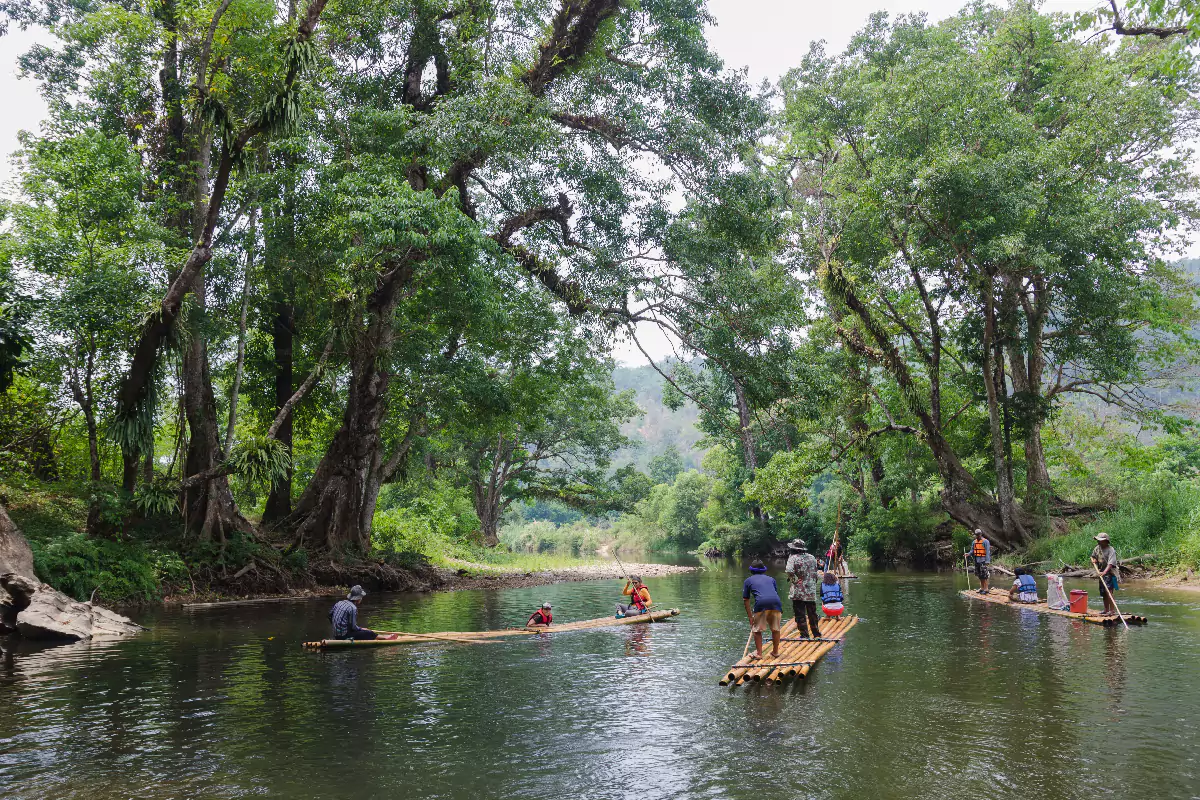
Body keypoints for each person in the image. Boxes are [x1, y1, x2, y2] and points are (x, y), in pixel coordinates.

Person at [742, 559, 783, 660]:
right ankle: (775, 652)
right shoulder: (771, 579)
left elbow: (746, 600)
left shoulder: (748, 581)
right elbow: (774, 593)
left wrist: (750, 617)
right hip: (776, 603)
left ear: (751, 570)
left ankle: (759, 654)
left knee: (757, 630)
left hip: (761, 603)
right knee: (775, 629)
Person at [329, 585, 397, 641]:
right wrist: (362, 629)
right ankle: (385, 638)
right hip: (343, 637)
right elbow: (353, 627)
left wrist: (337, 627)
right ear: (358, 598)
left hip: (336, 635)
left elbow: (330, 616)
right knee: (369, 633)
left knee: (363, 630)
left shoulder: (339, 603)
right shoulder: (353, 608)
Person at [784, 538, 821, 639]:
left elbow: (789, 570)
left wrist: (794, 580)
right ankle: (816, 634)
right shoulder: (812, 558)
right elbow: (815, 573)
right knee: (812, 613)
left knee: (800, 614)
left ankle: (804, 635)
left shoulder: (793, 558)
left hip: (798, 592)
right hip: (811, 591)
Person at [1091, 532, 1120, 616]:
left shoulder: (1111, 550)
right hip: (1101, 573)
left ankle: (1112, 610)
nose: (1098, 542)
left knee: (1109, 592)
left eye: (1100, 540)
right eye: (1098, 540)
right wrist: (1094, 560)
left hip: (1110, 573)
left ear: (1106, 541)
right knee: (1103, 592)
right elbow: (1093, 557)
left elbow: (1110, 563)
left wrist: (1105, 572)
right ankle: (1106, 610)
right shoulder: (1097, 548)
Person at [968, 529, 992, 594]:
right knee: (979, 575)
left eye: (979, 534)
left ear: (981, 534)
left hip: (983, 560)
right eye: (977, 534)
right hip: (977, 560)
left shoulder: (985, 541)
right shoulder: (974, 542)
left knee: (984, 575)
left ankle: (986, 589)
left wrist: (987, 561)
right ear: (975, 535)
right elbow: (972, 550)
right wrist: (968, 554)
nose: (978, 535)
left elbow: (987, 551)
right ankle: (982, 588)